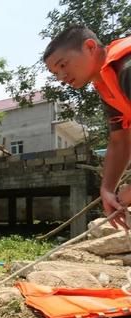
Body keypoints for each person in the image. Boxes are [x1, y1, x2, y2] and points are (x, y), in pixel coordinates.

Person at [43, 25, 131, 228]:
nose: (61, 77)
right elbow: (120, 140)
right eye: (55, 73)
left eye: (63, 65)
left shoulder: (127, 69)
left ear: (90, 47)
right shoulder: (108, 84)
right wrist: (107, 189)